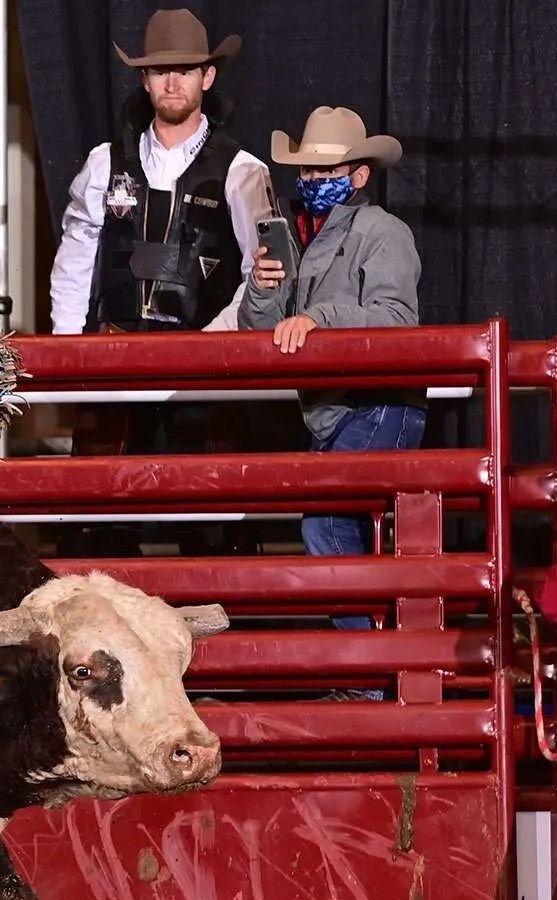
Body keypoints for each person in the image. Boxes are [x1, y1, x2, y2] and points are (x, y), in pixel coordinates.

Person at [46, 8, 273, 557]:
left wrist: (211, 345)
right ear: (144, 79)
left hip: (204, 366)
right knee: (101, 512)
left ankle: (222, 635)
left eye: (186, 69)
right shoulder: (105, 164)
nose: (173, 82)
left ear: (207, 77)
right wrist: (68, 354)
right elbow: (75, 257)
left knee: (210, 518)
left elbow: (258, 273)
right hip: (116, 359)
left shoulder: (243, 171)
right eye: (160, 70)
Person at [241, 106, 421, 698]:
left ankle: (369, 674)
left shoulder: (382, 232)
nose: (315, 182)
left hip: (377, 405)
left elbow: (397, 320)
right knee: (334, 523)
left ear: (360, 175)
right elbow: (258, 329)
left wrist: (321, 317)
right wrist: (263, 290)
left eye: (329, 171)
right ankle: (373, 667)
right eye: (309, 173)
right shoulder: (295, 235)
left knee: (327, 519)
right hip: (339, 410)